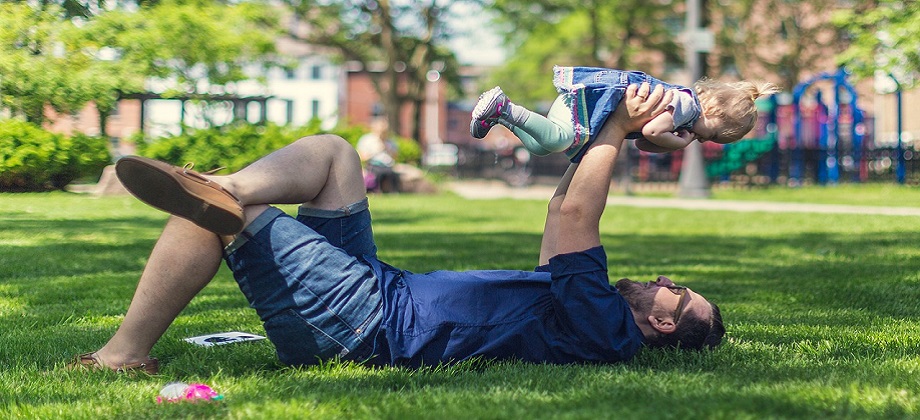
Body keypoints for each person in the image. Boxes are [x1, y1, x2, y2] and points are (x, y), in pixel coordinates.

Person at [69, 83, 723, 374]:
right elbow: (561, 211)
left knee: (227, 222)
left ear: (665, 324)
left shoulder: (606, 330)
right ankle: (225, 184)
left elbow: (581, 215)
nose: (668, 279)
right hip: (378, 290)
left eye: (678, 291)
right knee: (334, 154)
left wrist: (618, 126)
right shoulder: (587, 308)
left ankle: (123, 354)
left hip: (367, 325)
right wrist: (604, 132)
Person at [471, 65, 780, 162]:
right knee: (557, 140)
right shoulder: (686, 106)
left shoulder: (681, 116)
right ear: (710, 108)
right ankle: (505, 106)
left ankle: (501, 116)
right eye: (710, 134)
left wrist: (670, 139)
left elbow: (645, 144)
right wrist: (680, 143)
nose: (702, 140)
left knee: (540, 146)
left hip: (583, 105)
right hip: (589, 103)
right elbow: (650, 132)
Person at [356, 118, 400, 193]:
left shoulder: (390, 141)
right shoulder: (367, 140)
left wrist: (388, 149)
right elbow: (361, 157)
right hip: (373, 165)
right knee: (379, 173)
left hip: (388, 165)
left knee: (392, 174)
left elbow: (396, 157)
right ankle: (376, 191)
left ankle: (393, 192)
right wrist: (376, 151)